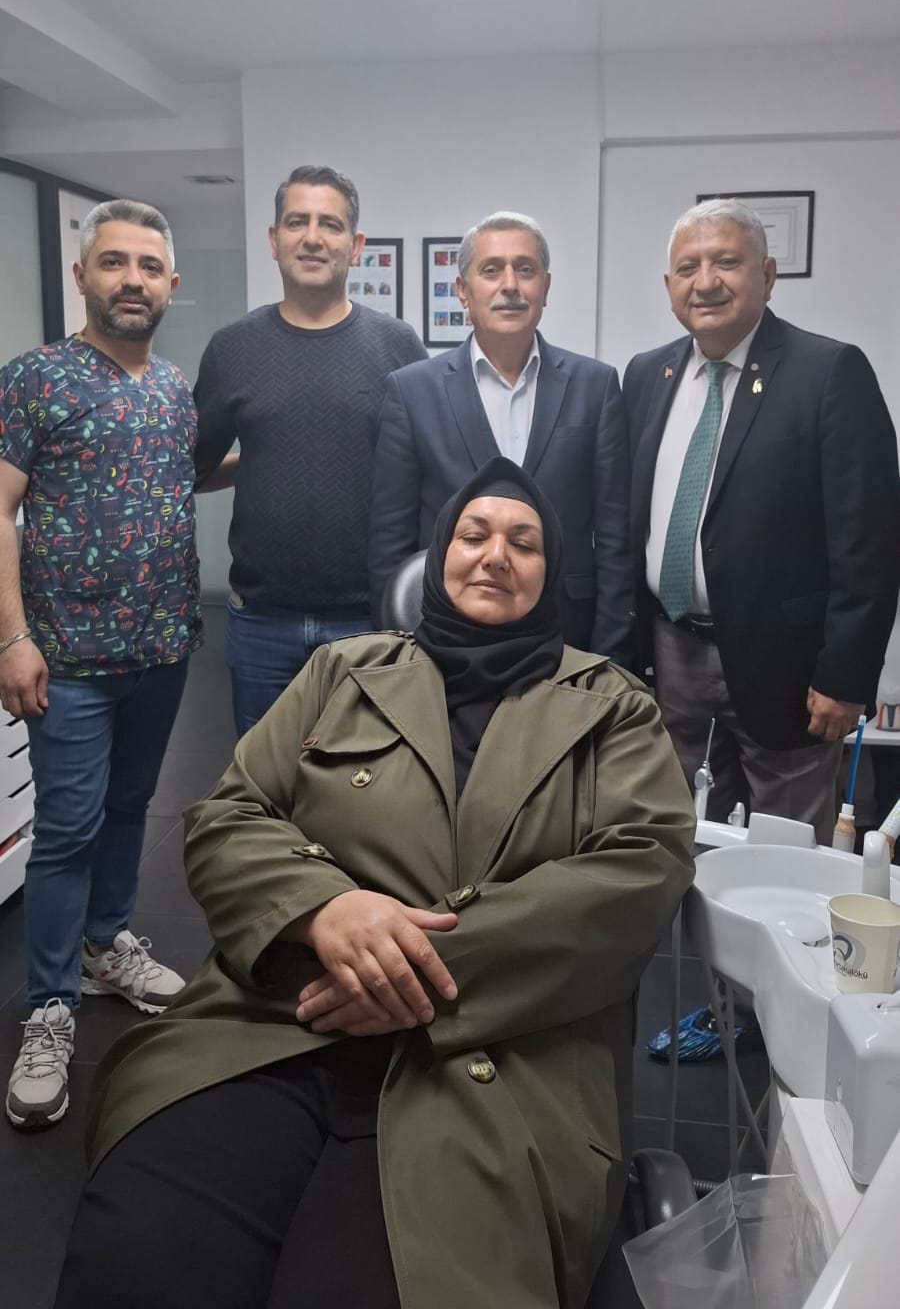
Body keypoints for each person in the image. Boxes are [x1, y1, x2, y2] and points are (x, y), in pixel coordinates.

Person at [56, 459, 694, 1309]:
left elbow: (644, 867)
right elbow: (229, 813)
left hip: (494, 1064)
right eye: (473, 534)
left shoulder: (613, 707)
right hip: (280, 1026)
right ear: (438, 557)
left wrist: (418, 968)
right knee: (137, 1256)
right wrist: (324, 909)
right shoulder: (343, 672)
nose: (494, 555)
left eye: (524, 542)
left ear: (552, 575)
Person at [0, 199, 200, 1131]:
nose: (132, 279)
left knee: (130, 808)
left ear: (170, 285)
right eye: (114, 262)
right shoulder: (35, 378)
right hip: (68, 659)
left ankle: (105, 944)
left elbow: (180, 472)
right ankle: (48, 1008)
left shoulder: (175, 389)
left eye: (149, 266)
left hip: (162, 647)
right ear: (82, 275)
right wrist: (11, 637)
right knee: (68, 830)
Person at [624, 197, 900, 850]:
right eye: (688, 267)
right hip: (668, 650)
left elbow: (870, 541)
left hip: (788, 667)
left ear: (767, 275)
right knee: (665, 832)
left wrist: (846, 676)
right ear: (669, 286)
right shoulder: (647, 375)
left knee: (787, 849)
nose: (706, 281)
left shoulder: (828, 372)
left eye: (726, 262)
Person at [194, 164, 427, 735]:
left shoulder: (397, 345)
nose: (313, 237)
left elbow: (425, 470)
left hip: (368, 620)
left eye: (330, 224)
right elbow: (193, 469)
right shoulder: (232, 348)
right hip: (261, 623)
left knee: (366, 779)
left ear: (356, 244)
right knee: (264, 781)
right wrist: (265, 462)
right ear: (274, 240)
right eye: (297, 222)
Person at [369, 211, 634, 661]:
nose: (509, 284)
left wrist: (610, 658)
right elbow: (389, 542)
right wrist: (398, 657)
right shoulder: (411, 391)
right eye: (491, 270)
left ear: (545, 288)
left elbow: (614, 540)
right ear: (463, 290)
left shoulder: (596, 385)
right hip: (445, 638)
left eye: (524, 269)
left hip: (567, 636)